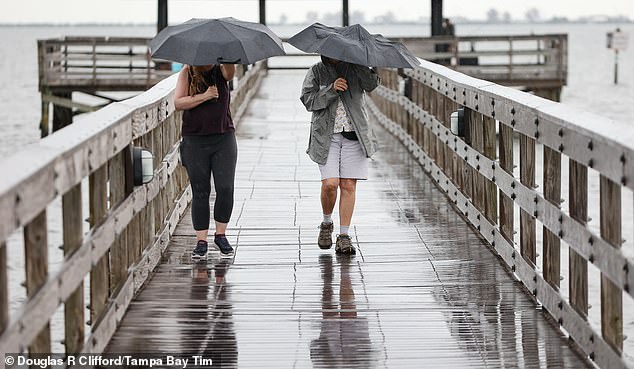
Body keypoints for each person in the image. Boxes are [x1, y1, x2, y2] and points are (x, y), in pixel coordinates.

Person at [300, 55, 380, 255]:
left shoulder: (356, 66)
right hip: (327, 136)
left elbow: (371, 85)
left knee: (348, 185)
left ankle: (344, 236)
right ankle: (327, 223)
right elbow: (308, 101)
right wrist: (331, 89)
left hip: (355, 134)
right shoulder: (317, 71)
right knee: (330, 184)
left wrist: (362, 65)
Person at [174, 63, 237, 259]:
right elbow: (178, 103)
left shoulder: (222, 69)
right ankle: (201, 241)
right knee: (200, 191)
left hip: (223, 137)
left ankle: (221, 235)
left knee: (225, 188)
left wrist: (227, 56)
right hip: (195, 140)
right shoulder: (187, 72)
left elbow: (230, 73)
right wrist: (205, 96)